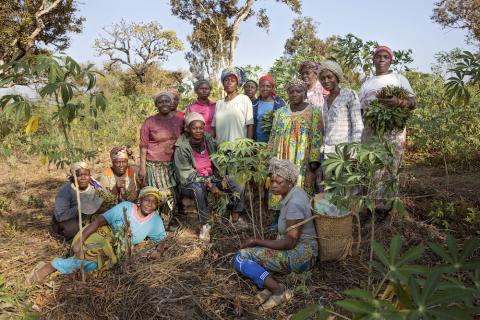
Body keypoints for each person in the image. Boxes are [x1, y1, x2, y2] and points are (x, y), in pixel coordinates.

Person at [28, 187, 168, 283]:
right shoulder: (125, 207)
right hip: (100, 235)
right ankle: (51, 267)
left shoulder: (154, 220)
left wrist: (159, 251)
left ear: (157, 206)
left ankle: (57, 266)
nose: (149, 204)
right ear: (140, 200)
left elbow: (162, 238)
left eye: (154, 202)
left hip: (117, 248)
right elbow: (98, 222)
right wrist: (79, 241)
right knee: (87, 254)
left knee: (94, 265)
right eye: (147, 200)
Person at [233, 159, 318, 310]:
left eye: (279, 182)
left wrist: (255, 241)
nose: (273, 185)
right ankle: (271, 283)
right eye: (272, 181)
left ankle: (278, 290)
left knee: (241, 257)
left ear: (290, 181)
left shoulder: (294, 203)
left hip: (303, 255)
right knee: (262, 252)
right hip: (301, 249)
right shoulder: (294, 192)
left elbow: (290, 243)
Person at [359, 46, 416, 212]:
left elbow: (413, 102)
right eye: (378, 56)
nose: (382, 59)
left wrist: (399, 102)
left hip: (394, 132)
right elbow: (361, 110)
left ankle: (388, 208)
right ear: (373, 60)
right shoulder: (367, 83)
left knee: (391, 167)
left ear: (390, 60)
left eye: (385, 57)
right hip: (371, 130)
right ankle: (372, 208)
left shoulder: (399, 79)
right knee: (373, 167)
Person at [174, 112, 246, 241]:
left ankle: (235, 216)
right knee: (198, 189)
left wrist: (223, 174)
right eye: (194, 128)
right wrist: (209, 184)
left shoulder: (209, 140)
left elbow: (220, 157)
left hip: (212, 177)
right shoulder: (182, 146)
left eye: (201, 128)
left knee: (237, 182)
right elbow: (186, 174)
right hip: (191, 181)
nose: (198, 131)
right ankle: (204, 225)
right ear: (188, 128)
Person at [267, 79, 323, 210]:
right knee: (279, 183)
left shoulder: (314, 111)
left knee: (300, 186)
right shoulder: (280, 113)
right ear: (287, 93)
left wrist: (314, 159)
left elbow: (317, 136)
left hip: (302, 158)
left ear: (305, 93)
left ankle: (300, 217)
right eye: (291, 91)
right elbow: (273, 134)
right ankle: (279, 216)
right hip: (281, 157)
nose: (294, 94)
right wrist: (268, 155)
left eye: (298, 91)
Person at [139, 91, 184, 220]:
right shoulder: (149, 122)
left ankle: (168, 219)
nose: (164, 104)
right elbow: (143, 146)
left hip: (174, 163)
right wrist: (142, 168)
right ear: (156, 105)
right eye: (160, 102)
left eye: (167, 101)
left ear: (171, 104)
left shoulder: (180, 120)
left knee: (172, 193)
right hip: (154, 165)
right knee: (158, 194)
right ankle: (156, 220)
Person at [318, 60, 364, 155]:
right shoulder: (324, 100)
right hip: (327, 153)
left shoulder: (349, 94)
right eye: (322, 78)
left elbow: (357, 125)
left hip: (345, 153)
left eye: (329, 77)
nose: (326, 81)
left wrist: (354, 152)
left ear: (337, 77)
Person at [52, 161, 104, 240]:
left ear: (90, 175)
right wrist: (81, 207)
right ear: (73, 177)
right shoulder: (65, 190)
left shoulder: (96, 186)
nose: (83, 178)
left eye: (86, 175)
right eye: (79, 175)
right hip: (70, 219)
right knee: (73, 228)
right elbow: (60, 216)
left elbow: (106, 200)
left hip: (90, 217)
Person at [212, 67, 254, 144]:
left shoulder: (244, 99)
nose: (229, 83)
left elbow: (250, 125)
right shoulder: (219, 103)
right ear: (223, 83)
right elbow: (214, 128)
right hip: (220, 150)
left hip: (238, 150)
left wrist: (248, 146)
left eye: (232, 80)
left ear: (237, 84)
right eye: (226, 80)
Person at [252, 75, 286, 143]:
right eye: (262, 86)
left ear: (272, 88)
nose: (265, 88)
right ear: (259, 87)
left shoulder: (279, 103)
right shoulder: (254, 104)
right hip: (258, 143)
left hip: (275, 143)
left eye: (268, 86)